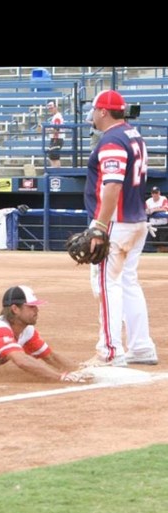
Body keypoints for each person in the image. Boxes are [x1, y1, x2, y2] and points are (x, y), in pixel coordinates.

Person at [82, 89, 158, 367]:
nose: (92, 115)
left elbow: (112, 184)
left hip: (116, 222)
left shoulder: (112, 139)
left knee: (107, 285)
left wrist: (100, 226)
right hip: (136, 219)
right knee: (128, 284)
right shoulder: (132, 134)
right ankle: (141, 346)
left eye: (94, 110)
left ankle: (110, 350)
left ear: (103, 112)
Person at [145, 186, 168, 252]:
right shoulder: (148, 201)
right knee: (155, 244)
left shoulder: (163, 199)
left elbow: (165, 208)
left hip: (163, 225)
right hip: (153, 226)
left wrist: (154, 210)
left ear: (159, 193)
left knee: (163, 244)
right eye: (153, 193)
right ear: (151, 194)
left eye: (156, 193)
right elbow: (146, 211)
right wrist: (149, 211)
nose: (155, 194)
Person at [45, 100, 65, 168]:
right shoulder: (56, 116)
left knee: (54, 157)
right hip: (56, 138)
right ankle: (55, 172)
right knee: (52, 156)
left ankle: (57, 173)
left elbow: (56, 129)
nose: (50, 110)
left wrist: (47, 129)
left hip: (56, 139)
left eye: (52, 108)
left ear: (56, 107)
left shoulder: (57, 117)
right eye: (49, 108)